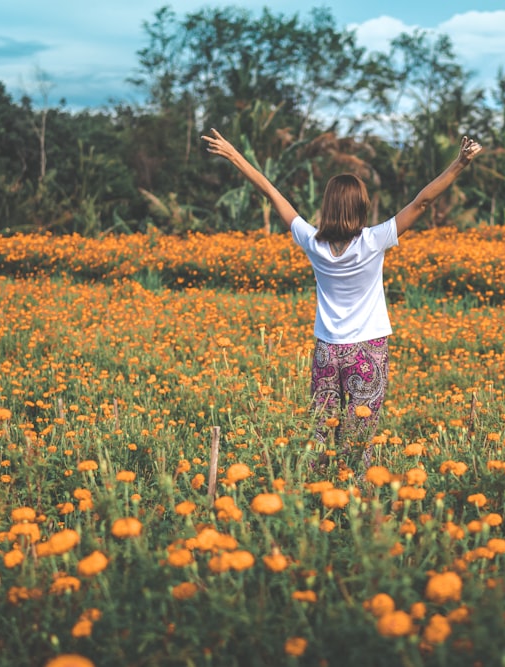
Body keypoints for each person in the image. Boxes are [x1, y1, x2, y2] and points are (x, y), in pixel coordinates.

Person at [201, 128, 482, 469]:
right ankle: (355, 503)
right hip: (367, 351)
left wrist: (233, 155)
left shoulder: (312, 242)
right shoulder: (374, 240)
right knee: (359, 440)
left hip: (326, 350)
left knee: (321, 436)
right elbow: (423, 202)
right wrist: (460, 164)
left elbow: (271, 192)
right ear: (362, 206)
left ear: (328, 206)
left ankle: (319, 499)